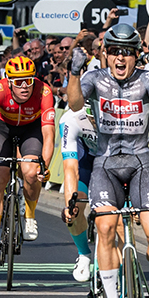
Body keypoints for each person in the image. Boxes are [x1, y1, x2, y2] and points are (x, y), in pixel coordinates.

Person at [66, 24, 149, 298]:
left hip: (140, 161)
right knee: (105, 228)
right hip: (104, 163)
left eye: (126, 53)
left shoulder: (148, 79)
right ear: (105, 53)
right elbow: (75, 103)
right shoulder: (94, 78)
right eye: (114, 51)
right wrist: (73, 74)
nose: (119, 58)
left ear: (136, 55)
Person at [0, 56, 55, 263]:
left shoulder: (44, 92)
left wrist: (44, 166)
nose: (24, 86)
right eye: (18, 81)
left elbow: (49, 135)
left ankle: (29, 216)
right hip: (3, 128)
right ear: (9, 81)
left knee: (31, 173)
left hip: (32, 129)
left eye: (28, 80)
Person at [58, 105, 98, 281]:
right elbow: (70, 168)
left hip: (114, 160)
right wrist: (70, 205)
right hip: (86, 162)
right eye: (92, 116)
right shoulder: (70, 119)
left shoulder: (121, 116)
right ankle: (84, 255)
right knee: (74, 208)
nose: (96, 121)